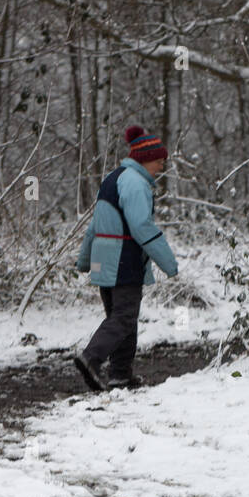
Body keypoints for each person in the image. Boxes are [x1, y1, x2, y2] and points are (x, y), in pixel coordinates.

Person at [73, 126, 178, 390]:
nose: (160, 167)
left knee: (120, 317)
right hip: (124, 259)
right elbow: (142, 226)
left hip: (104, 258)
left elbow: (94, 225)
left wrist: (86, 260)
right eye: (158, 161)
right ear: (145, 159)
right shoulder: (135, 183)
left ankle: (120, 374)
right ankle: (91, 358)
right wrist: (169, 263)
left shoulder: (113, 178)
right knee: (125, 318)